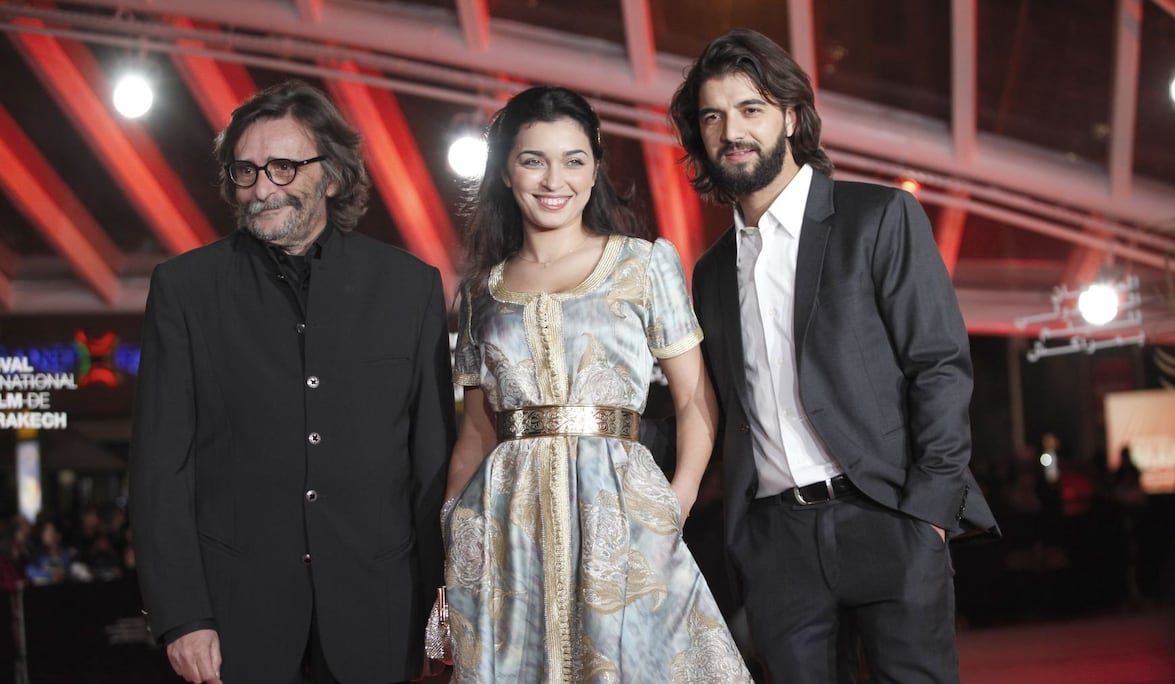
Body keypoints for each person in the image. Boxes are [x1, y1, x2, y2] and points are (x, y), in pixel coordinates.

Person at [670, 29, 1000, 683]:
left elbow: (938, 364)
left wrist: (928, 515)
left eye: (750, 109)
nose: (731, 130)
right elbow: (707, 405)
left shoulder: (878, 218)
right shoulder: (709, 274)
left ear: (792, 117)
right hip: (775, 545)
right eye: (713, 116)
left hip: (888, 517)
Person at [130, 80, 456, 684]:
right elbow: (159, 469)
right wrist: (181, 616)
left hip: (379, 605)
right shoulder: (184, 290)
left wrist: (442, 603)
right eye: (247, 170)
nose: (263, 188)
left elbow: (431, 461)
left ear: (331, 175)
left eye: (283, 167)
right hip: (233, 614)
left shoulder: (411, 288)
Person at [440, 85, 752, 682]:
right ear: (505, 171)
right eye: (533, 159)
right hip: (507, 525)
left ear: (594, 169)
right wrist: (454, 527)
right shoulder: (482, 290)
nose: (553, 179)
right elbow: (477, 430)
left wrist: (674, 503)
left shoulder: (643, 263)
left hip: (622, 516)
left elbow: (693, 399)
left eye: (573, 159)